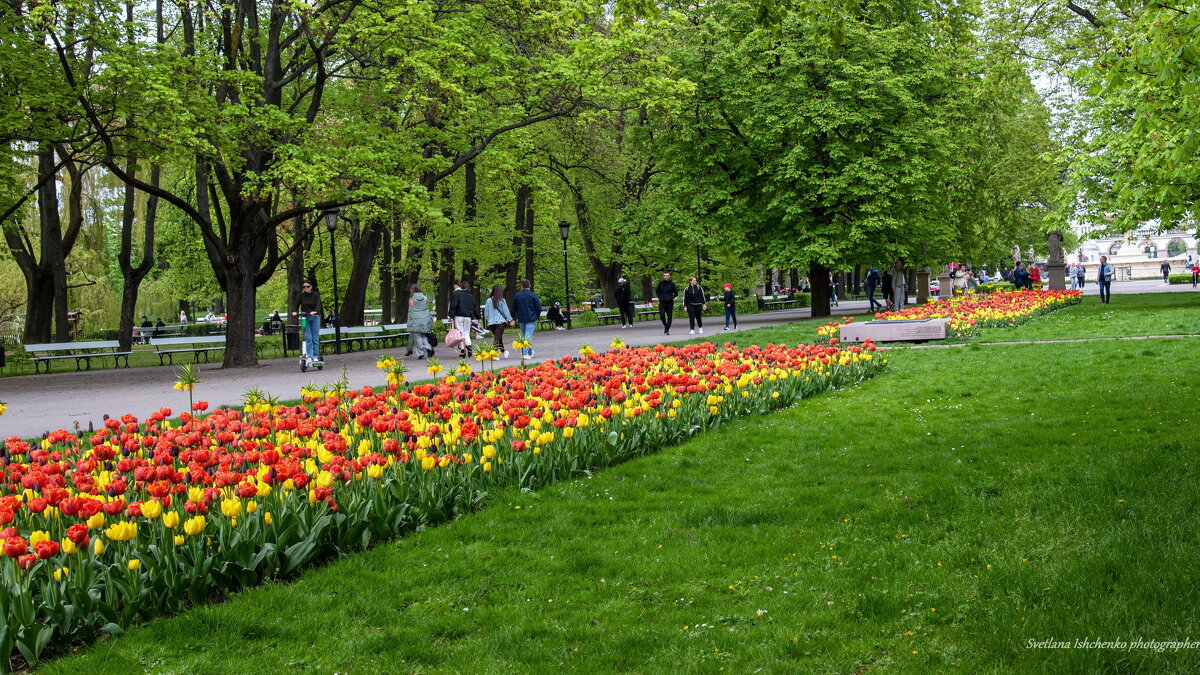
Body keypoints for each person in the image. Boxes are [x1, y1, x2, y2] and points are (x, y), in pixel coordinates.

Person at [511, 279, 542, 358]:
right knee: (527, 336)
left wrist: (512, 319)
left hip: (521, 319)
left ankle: (530, 351)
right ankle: (525, 354)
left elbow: (514, 309)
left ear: (521, 286)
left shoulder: (517, 296)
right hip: (531, 318)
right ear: (530, 286)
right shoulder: (533, 295)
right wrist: (537, 316)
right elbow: (538, 307)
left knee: (525, 336)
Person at [449, 280, 479, 357]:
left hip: (458, 316)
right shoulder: (470, 296)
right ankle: (469, 346)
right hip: (468, 317)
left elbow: (454, 305)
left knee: (460, 333)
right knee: (466, 333)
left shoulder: (457, 294)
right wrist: (478, 317)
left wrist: (451, 316)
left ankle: (463, 349)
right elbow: (474, 307)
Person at [294, 280, 323, 362]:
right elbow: (296, 306)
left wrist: (315, 311)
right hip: (304, 318)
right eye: (304, 287)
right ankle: (309, 356)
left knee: (315, 338)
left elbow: (318, 305)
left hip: (315, 318)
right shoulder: (301, 296)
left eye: (307, 286)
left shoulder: (316, 295)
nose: (305, 288)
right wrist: (294, 311)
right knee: (308, 337)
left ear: (311, 286)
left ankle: (315, 356)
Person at [484, 285, 514, 357]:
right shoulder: (502, 300)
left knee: (498, 337)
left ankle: (504, 352)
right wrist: (510, 320)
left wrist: (489, 320)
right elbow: (506, 312)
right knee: (497, 338)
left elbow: (486, 313)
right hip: (500, 323)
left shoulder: (488, 300)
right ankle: (493, 354)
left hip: (491, 323)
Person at [407, 284, 434, 359]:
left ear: (413, 290)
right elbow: (427, 305)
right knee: (423, 336)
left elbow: (411, 309)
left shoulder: (411, 298)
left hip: (415, 321)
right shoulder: (424, 297)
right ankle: (428, 348)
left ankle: (421, 353)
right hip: (424, 320)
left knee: (417, 337)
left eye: (411, 289)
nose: (410, 290)